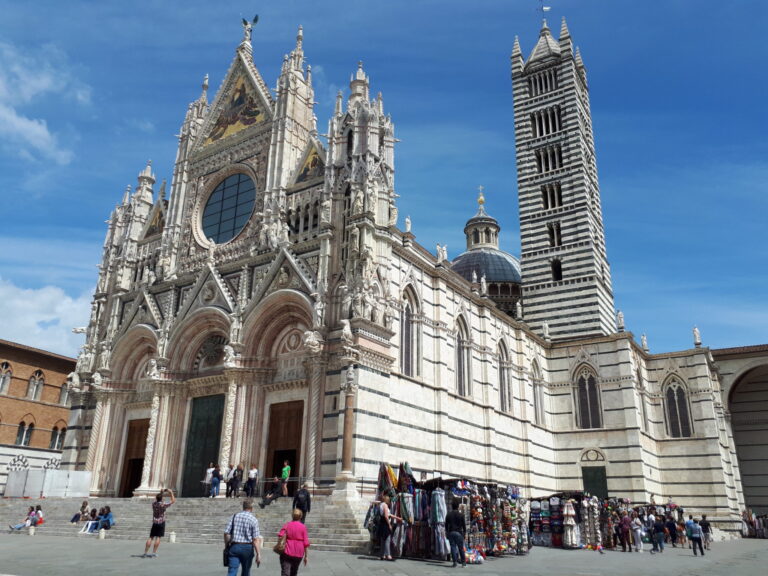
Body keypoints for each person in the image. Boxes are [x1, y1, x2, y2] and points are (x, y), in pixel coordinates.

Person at [224, 499, 262, 576]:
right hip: (247, 548)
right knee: (246, 571)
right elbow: (255, 539)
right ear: (251, 508)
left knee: (232, 571)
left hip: (235, 546)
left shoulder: (234, 517)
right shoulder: (253, 519)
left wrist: (226, 545)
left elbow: (226, 533)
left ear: (243, 507)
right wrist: (258, 554)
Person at [143, 488, 175, 558]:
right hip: (161, 522)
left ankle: (145, 553)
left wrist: (161, 492)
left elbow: (159, 498)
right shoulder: (163, 505)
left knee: (151, 537)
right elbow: (173, 501)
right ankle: (154, 553)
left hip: (154, 522)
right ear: (162, 499)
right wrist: (171, 493)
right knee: (158, 538)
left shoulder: (154, 504)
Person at [277, 508, 311, 576]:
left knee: (285, 572)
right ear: (301, 516)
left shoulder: (287, 524)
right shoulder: (303, 527)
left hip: (287, 551)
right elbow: (306, 543)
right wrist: (306, 556)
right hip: (299, 552)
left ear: (292, 516)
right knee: (294, 572)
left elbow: (280, 535)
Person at [377, 494, 402, 561]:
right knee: (387, 539)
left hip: (382, 523)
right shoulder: (385, 505)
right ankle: (388, 555)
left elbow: (389, 514)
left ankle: (382, 555)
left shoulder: (381, 505)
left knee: (383, 540)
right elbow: (386, 516)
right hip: (385, 523)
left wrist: (397, 518)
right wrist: (389, 525)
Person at [445, 500, 467, 567]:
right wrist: (465, 533)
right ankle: (463, 563)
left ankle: (455, 562)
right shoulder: (461, 515)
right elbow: (464, 525)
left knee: (453, 547)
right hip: (459, 533)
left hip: (451, 532)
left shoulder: (448, 515)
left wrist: (447, 532)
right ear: (458, 506)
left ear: (452, 506)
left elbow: (446, 525)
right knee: (461, 548)